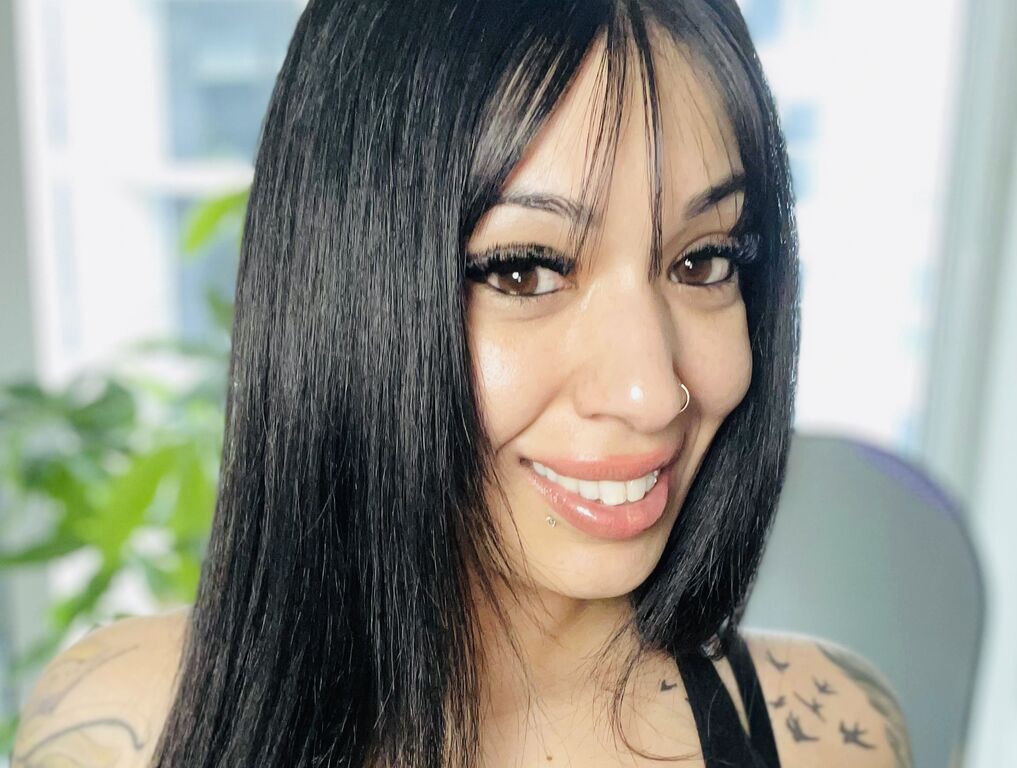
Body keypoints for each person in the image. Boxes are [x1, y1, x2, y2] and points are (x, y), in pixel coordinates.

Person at [12, 1, 914, 766]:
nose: (651, 393)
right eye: (526, 270)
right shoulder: (119, 728)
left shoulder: (837, 737)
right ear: (352, 291)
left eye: (704, 260)